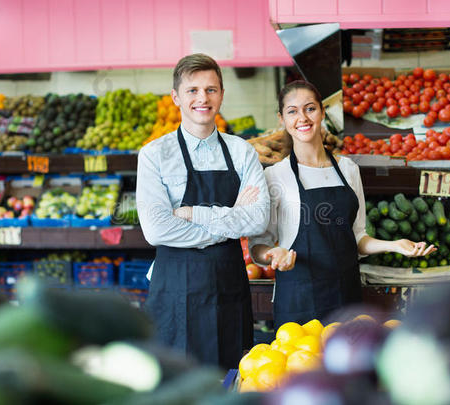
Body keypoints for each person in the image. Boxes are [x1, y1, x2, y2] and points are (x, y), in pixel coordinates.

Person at [249, 80, 435, 328]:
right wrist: (273, 254)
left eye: (310, 108)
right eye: (292, 111)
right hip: (300, 300)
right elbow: (257, 245)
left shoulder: (348, 169)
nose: (302, 117)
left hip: (346, 296)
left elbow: (358, 237)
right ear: (282, 118)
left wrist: (394, 245)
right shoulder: (275, 176)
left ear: (322, 112)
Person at [136, 53, 270, 369]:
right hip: (174, 292)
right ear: (176, 97)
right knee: (179, 386)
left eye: (211, 89)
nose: (202, 98)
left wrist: (192, 213)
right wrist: (231, 219)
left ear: (222, 94)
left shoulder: (242, 152)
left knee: (228, 381)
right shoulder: (155, 155)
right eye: (192, 90)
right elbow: (157, 230)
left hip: (228, 287)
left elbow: (258, 218)